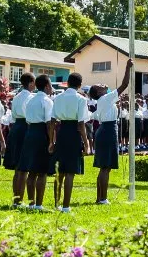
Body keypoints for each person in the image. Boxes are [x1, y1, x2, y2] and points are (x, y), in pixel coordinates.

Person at [89, 59, 133, 205]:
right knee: (106, 167)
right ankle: (103, 199)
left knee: (103, 167)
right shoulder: (105, 98)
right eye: (99, 86)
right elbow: (125, 85)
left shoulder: (104, 100)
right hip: (108, 130)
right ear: (99, 92)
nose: (103, 85)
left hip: (104, 130)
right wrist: (127, 67)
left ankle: (99, 197)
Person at [51, 72, 89, 213]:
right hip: (74, 133)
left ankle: (57, 203)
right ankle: (66, 206)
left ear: (67, 82)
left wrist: (51, 140)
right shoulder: (81, 99)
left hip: (61, 131)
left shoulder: (58, 97)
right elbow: (81, 124)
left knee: (59, 171)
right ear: (80, 85)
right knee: (70, 172)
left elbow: (53, 121)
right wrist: (87, 143)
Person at [19, 75, 55, 210]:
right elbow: (49, 124)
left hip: (30, 133)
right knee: (42, 171)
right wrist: (51, 141)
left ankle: (31, 203)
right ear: (46, 86)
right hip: (41, 133)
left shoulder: (30, 100)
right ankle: (39, 204)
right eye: (50, 85)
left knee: (32, 171)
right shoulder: (47, 101)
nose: (51, 88)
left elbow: (28, 119)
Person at [6, 73, 35, 207]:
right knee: (23, 167)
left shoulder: (17, 96)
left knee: (18, 166)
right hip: (25, 127)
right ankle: (19, 200)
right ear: (30, 83)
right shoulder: (30, 97)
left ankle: (16, 198)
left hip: (16, 127)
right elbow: (29, 116)